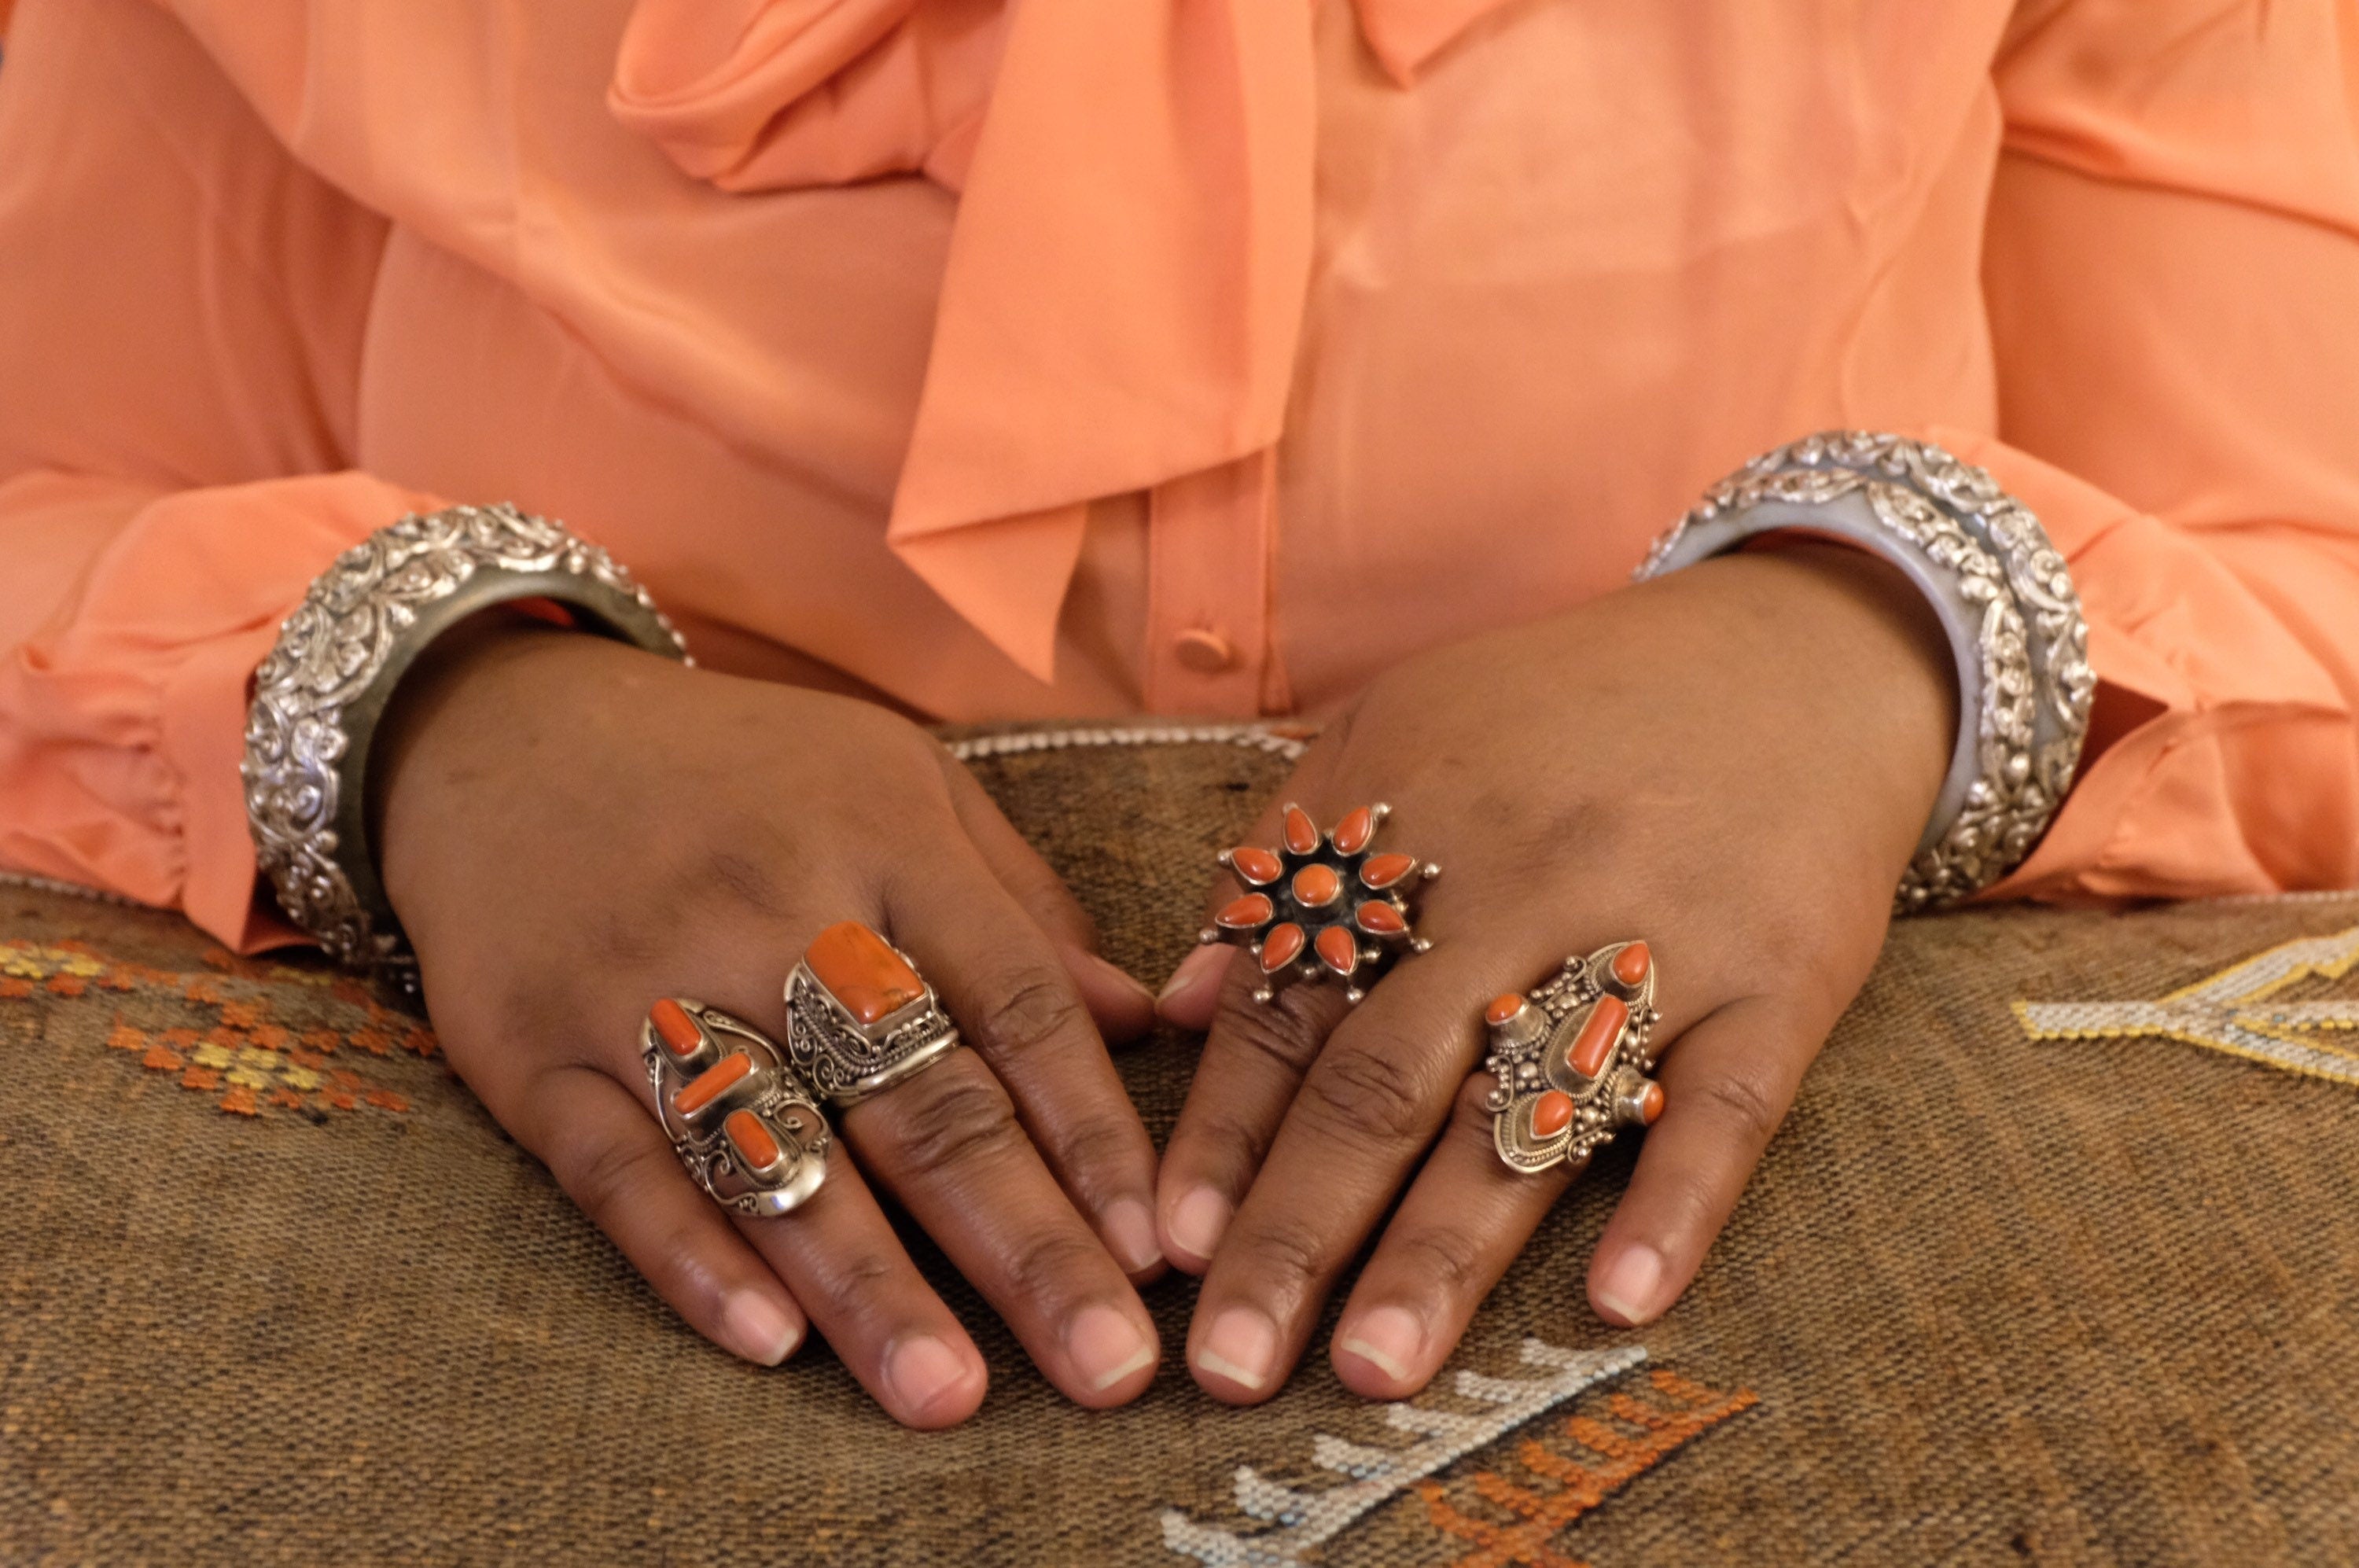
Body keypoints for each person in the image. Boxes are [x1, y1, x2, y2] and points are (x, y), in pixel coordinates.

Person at [2, 0, 2354, 1433]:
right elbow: (52, 491)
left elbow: (2308, 557)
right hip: (498, 1201)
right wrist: (426, 699)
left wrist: (1869, 647)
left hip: (1821, 1179)